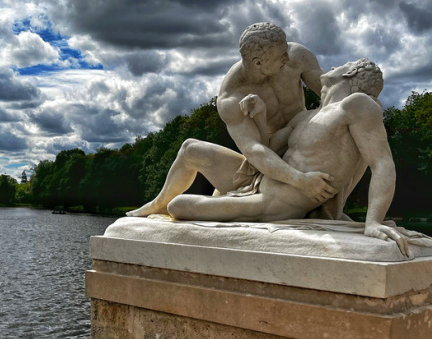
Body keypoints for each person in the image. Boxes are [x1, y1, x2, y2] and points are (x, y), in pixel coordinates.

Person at [129, 58, 408, 255]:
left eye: (342, 64)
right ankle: (155, 204)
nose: (333, 66)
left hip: (277, 200)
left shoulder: (357, 105)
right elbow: (270, 147)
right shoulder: (308, 116)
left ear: (350, 74)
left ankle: (175, 204)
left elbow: (381, 163)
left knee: (179, 206)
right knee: (191, 148)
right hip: (260, 178)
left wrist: (373, 222)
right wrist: (261, 116)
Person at [128, 23, 338, 217]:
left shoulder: (297, 56)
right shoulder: (232, 97)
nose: (288, 56)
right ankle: (160, 203)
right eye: (281, 55)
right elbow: (256, 151)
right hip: (269, 161)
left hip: (306, 143)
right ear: (258, 62)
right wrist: (300, 180)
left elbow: (333, 96)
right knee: (189, 149)